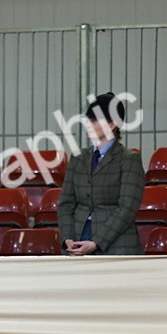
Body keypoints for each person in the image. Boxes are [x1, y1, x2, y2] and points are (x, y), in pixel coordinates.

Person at [58, 92, 145, 256]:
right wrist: (67, 237)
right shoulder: (78, 157)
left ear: (112, 125)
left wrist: (97, 241)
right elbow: (65, 203)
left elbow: (127, 208)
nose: (89, 125)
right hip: (78, 240)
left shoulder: (129, 159)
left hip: (117, 243)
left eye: (94, 120)